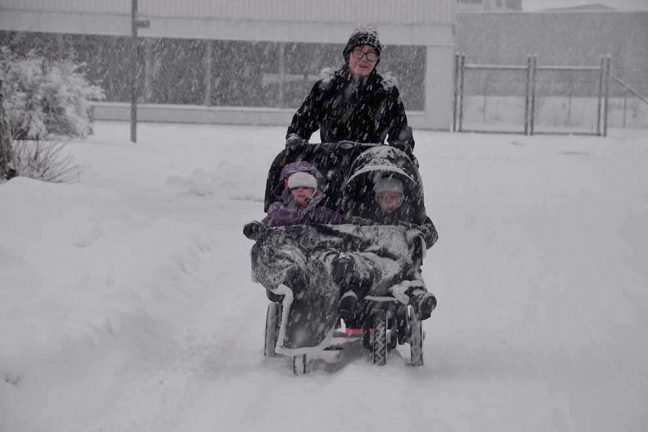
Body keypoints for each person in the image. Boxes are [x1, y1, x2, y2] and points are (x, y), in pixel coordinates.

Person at [334, 147, 438, 322]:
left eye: (393, 197)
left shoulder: (409, 215)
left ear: (402, 198)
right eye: (383, 197)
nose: (388, 202)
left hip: (400, 264)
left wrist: (419, 234)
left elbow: (431, 232)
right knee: (358, 272)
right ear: (376, 198)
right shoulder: (366, 214)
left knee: (411, 277)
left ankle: (419, 297)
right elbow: (349, 230)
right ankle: (350, 296)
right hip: (371, 260)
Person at [285, 27, 415, 153]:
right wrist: (296, 140)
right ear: (348, 56)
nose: (364, 59)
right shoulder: (327, 88)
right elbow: (301, 124)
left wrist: (402, 146)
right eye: (358, 52)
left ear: (377, 60)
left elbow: (400, 131)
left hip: (371, 167)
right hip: (330, 164)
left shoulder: (387, 92)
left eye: (371, 54)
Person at [243, 161, 343, 239]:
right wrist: (256, 229)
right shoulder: (279, 211)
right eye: (295, 187)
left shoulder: (323, 212)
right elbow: (265, 227)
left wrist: (353, 221)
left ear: (315, 190)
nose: (300, 190)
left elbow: (342, 225)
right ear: (289, 190)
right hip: (286, 256)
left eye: (306, 187)